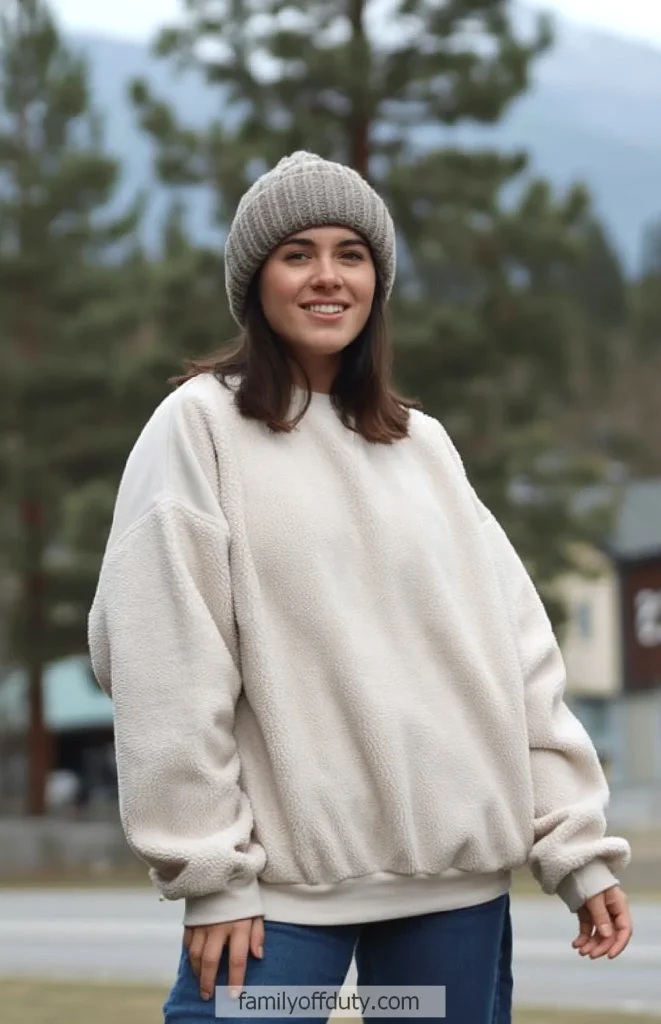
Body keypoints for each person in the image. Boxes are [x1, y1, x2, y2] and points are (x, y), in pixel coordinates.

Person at [88, 151, 633, 1024]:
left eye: (351, 253)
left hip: (453, 895)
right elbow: (165, 658)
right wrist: (209, 872)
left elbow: (519, 657)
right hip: (278, 902)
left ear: (378, 280)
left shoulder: (423, 446)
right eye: (296, 253)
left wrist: (575, 848)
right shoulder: (198, 428)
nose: (327, 276)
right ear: (254, 281)